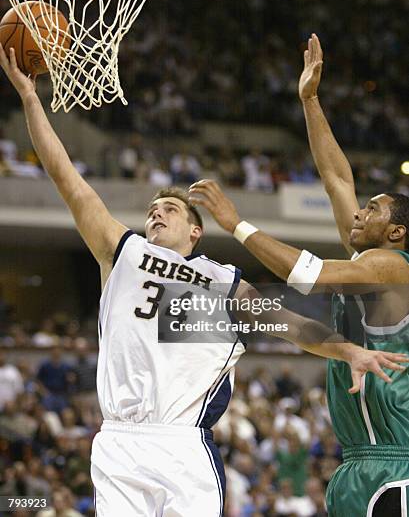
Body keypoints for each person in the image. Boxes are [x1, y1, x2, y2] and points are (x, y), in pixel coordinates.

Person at [1, 45, 407, 517]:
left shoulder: (224, 281)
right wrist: (31, 99)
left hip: (184, 444)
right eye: (152, 209)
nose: (157, 213)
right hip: (119, 439)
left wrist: (345, 349)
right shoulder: (122, 251)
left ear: (196, 231)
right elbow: (66, 177)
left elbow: (291, 324)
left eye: (170, 209)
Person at [189, 35, 409, 517]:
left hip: (398, 467)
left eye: (371, 210)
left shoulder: (392, 267)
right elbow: (337, 179)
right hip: (358, 461)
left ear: (396, 231)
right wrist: (310, 101)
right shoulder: (366, 262)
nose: (359, 213)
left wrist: (236, 224)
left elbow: (305, 275)